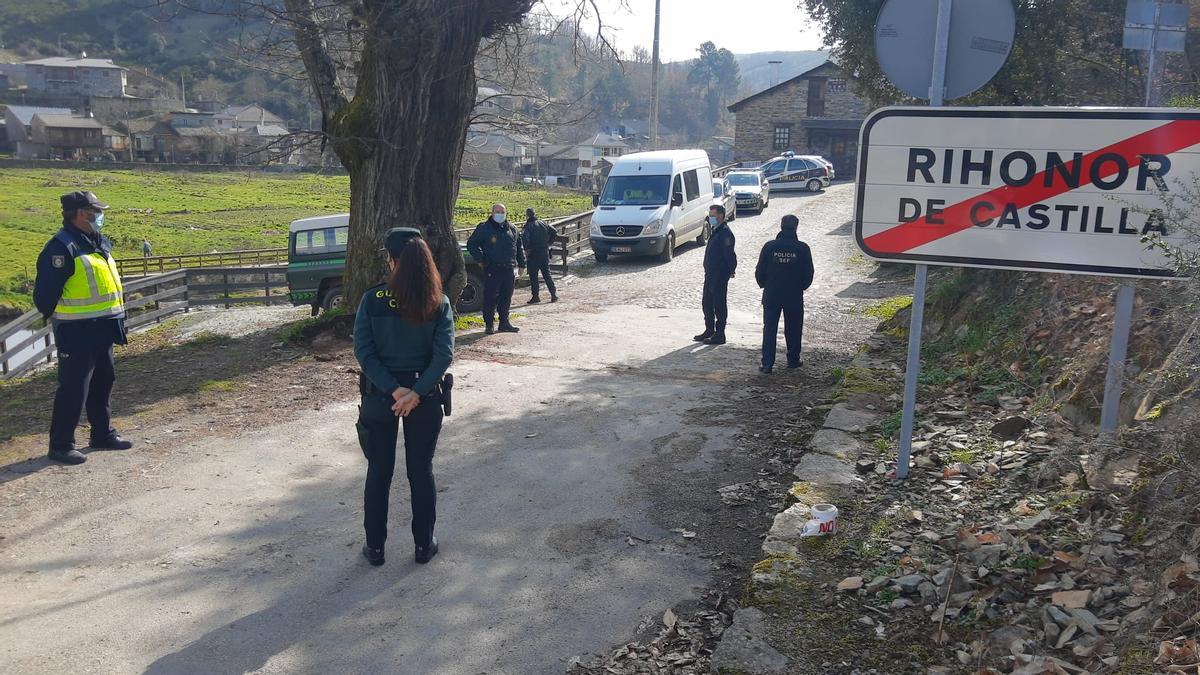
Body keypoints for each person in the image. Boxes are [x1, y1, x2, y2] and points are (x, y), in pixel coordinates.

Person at [354, 227, 454, 567]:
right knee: (420, 471)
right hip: (423, 399)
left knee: (379, 471)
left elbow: (364, 353)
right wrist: (415, 392)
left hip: (380, 398)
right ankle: (424, 545)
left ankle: (376, 548)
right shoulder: (438, 302)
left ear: (392, 260)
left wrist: (392, 389)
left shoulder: (372, 300)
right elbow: (443, 355)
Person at [33, 191, 134, 465]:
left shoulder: (96, 242)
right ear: (80, 213)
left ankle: (102, 435)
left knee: (103, 382)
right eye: (95, 210)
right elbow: (44, 298)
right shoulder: (60, 248)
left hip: (104, 326)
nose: (99, 215)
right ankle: (61, 445)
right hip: (77, 332)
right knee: (74, 388)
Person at [754, 214, 814, 373]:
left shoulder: (770, 246)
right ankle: (793, 360)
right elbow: (808, 274)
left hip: (772, 294)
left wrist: (765, 285)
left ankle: (767, 363)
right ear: (796, 227)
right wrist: (800, 287)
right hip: (793, 295)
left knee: (770, 329)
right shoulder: (802, 248)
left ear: (781, 226)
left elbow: (760, 271)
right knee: (794, 328)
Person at [466, 203, 525, 334]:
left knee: (506, 297)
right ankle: (489, 324)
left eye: (502, 212)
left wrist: (522, 264)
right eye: (497, 212)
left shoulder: (512, 229)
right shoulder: (485, 228)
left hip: (509, 269)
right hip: (492, 268)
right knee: (490, 297)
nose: (500, 214)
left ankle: (504, 323)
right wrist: (481, 259)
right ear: (492, 213)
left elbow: (519, 248)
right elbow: (472, 244)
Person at [693, 205, 736, 345]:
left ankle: (720, 333)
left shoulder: (725, 233)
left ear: (722, 215)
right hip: (710, 273)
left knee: (719, 303)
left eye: (714, 215)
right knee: (707, 302)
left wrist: (731, 270)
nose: (711, 218)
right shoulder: (715, 231)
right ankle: (709, 329)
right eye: (710, 215)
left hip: (719, 273)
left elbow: (729, 254)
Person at [521, 207, 558, 304]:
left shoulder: (528, 226)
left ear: (527, 215)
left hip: (533, 253)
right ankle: (553, 294)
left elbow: (525, 238)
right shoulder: (543, 223)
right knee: (547, 274)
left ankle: (536, 296)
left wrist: (526, 250)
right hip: (544, 252)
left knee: (533, 276)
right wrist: (549, 243)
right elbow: (554, 232)